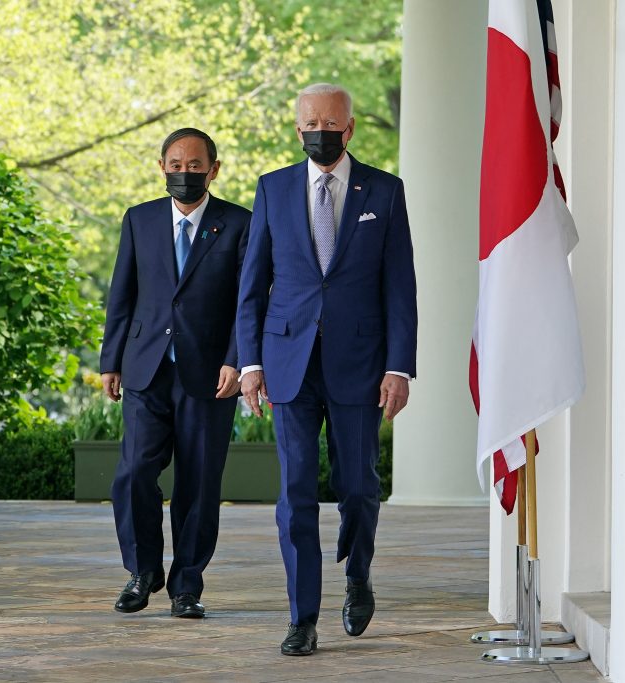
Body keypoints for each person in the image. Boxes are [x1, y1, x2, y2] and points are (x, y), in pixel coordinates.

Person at [236, 83, 417, 655]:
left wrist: (400, 367)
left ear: (350, 127)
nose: (320, 130)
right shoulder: (272, 188)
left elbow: (400, 287)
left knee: (359, 487)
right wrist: (251, 363)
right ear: (297, 130)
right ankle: (302, 617)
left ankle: (358, 573)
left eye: (330, 122)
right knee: (294, 494)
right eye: (309, 122)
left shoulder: (385, 192)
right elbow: (253, 284)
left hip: (360, 364)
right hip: (288, 361)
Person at [100, 128, 250, 619]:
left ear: (214, 169)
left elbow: (249, 304)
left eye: (194, 165)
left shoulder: (240, 224)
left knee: (200, 484)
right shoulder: (139, 220)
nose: (184, 173)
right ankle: (142, 572)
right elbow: (121, 294)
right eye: (175, 164)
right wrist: (111, 360)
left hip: (211, 375)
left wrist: (238, 358)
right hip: (145, 369)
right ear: (161, 166)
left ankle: (187, 585)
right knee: (135, 473)